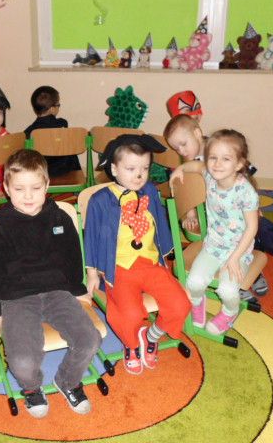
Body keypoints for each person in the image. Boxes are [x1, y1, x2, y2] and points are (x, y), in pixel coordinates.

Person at [0, 149, 101, 418]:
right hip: (16, 296)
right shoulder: (1, 226)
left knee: (89, 340)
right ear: (6, 189)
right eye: (19, 189)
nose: (28, 196)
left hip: (58, 292)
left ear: (46, 185)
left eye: (35, 188)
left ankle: (68, 381)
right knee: (22, 361)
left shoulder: (59, 217)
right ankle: (32, 388)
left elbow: (73, 255)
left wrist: (78, 290)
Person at [84, 134, 191, 375]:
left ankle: (150, 336)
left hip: (150, 264)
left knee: (180, 304)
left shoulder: (150, 191)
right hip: (119, 268)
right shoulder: (100, 200)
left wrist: (166, 257)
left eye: (145, 168)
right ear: (114, 169)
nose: (139, 175)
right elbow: (90, 236)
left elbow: (160, 225)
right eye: (131, 169)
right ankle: (131, 344)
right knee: (129, 314)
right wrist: (91, 273)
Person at [164, 112, 268, 302]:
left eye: (183, 144)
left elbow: (246, 176)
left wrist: (254, 205)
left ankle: (250, 271)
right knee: (223, 240)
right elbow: (189, 190)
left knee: (256, 230)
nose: (181, 151)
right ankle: (224, 271)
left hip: (239, 207)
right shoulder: (192, 161)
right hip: (213, 214)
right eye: (176, 148)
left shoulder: (221, 147)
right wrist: (190, 212)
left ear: (197, 133)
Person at [169, 129, 258, 336]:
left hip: (239, 250)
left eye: (226, 159)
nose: (217, 164)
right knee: (194, 283)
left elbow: (252, 228)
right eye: (213, 158)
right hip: (213, 245)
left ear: (239, 164)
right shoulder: (209, 175)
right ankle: (198, 303)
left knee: (227, 290)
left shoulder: (245, 192)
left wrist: (235, 258)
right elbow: (196, 165)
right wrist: (180, 168)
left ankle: (230, 312)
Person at [23, 85, 82, 177]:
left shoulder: (29, 132)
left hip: (41, 175)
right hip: (69, 173)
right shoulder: (62, 124)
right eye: (58, 105)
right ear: (52, 109)